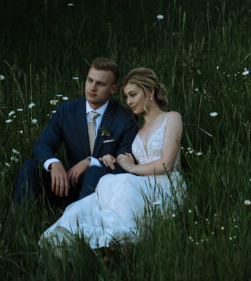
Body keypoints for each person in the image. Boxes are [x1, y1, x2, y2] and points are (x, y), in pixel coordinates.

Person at [39, 67, 184, 251]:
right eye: (126, 97)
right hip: (142, 185)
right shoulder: (136, 128)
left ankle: (121, 243)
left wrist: (131, 168)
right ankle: (92, 242)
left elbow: (166, 164)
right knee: (107, 184)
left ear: (150, 92)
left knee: (120, 183)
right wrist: (107, 157)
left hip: (167, 187)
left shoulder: (172, 118)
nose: (129, 102)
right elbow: (122, 157)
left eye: (133, 95)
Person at [13, 58, 138, 207]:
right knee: (29, 167)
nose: (92, 87)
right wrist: (55, 163)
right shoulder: (67, 111)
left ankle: (79, 225)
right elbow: (42, 146)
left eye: (100, 84)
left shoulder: (126, 119)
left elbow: (125, 166)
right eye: (90, 80)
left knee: (93, 172)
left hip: (102, 189)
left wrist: (92, 162)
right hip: (67, 184)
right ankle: (20, 225)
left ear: (113, 89)